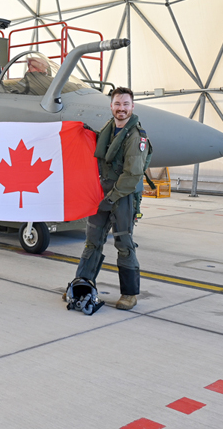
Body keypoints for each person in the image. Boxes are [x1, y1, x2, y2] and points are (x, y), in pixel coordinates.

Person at [72, 87, 151, 310]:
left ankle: (129, 294)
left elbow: (132, 174)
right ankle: (83, 285)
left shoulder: (136, 137)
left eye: (126, 104)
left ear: (132, 107)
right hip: (103, 193)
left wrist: (112, 197)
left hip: (123, 196)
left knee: (124, 244)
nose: (121, 109)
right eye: (117, 104)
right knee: (92, 240)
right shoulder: (108, 130)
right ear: (111, 106)